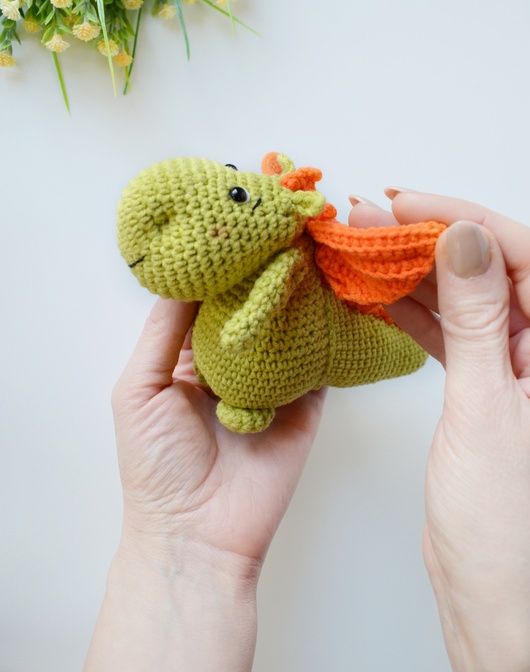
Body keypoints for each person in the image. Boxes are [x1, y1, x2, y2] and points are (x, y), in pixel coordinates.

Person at [84, 191, 530, 672]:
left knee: (400, 346)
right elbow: (248, 317)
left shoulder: (282, 259)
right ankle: (246, 405)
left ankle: (250, 404)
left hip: (313, 351)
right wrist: (181, 538)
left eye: (236, 188)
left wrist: (180, 545)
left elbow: (253, 316)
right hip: (261, 380)